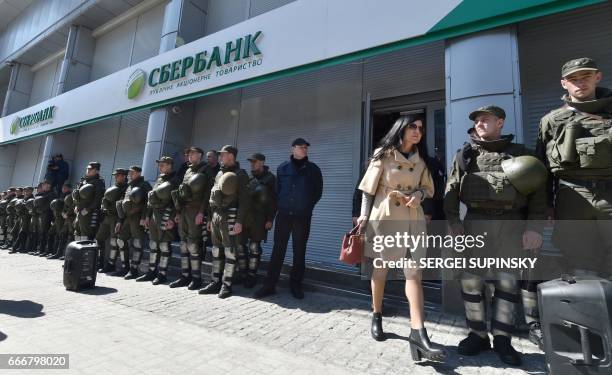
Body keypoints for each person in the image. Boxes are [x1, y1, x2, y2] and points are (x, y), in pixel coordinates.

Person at [444, 106, 547, 366]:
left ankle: (503, 339)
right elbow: (451, 190)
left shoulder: (521, 153)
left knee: (507, 283)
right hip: (475, 223)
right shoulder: (464, 155)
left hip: (511, 224)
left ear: (500, 122)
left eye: (485, 119)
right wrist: (454, 223)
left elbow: (539, 194)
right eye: (477, 120)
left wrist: (534, 228)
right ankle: (477, 335)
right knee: (471, 281)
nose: (479, 123)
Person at [357, 115, 445, 362]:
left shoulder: (421, 161)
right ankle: (377, 314)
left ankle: (418, 333)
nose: (418, 131)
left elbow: (429, 189)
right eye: (413, 127)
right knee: (381, 269)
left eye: (421, 128)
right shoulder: (383, 154)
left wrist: (418, 194)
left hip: (413, 220)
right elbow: (367, 189)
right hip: (385, 218)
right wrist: (363, 217)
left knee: (413, 273)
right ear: (401, 130)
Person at [536, 57, 612, 278]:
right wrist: (547, 205)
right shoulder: (552, 120)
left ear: (598, 77)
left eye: (586, 76)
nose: (580, 83)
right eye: (573, 79)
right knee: (580, 261)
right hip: (572, 196)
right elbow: (542, 169)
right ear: (564, 83)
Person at [255, 138, 323, 300]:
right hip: (284, 216)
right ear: (293, 149)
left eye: (306, 147)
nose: (305, 149)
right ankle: (269, 285)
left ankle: (296, 285)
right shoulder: (282, 168)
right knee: (278, 251)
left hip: (302, 217)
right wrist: (281, 207)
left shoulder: (313, 169)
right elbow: (277, 191)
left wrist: (306, 207)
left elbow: (317, 193)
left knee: (299, 252)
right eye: (301, 147)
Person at [199, 145, 250, 298]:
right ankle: (215, 282)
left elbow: (245, 200)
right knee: (216, 250)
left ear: (231, 156)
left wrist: (239, 221)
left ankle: (227, 285)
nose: (220, 157)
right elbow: (212, 197)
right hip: (216, 216)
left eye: (223, 154)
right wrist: (209, 218)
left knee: (230, 251)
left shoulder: (241, 174)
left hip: (231, 216)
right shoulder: (219, 173)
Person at [170, 147, 214, 290]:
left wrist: (202, 212)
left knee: (194, 245)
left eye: (193, 153)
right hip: (184, 210)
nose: (189, 155)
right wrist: (177, 212)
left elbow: (208, 194)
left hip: (196, 210)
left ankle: (196, 278)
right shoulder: (188, 170)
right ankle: (185, 276)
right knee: (183, 244)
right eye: (188, 153)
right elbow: (182, 192)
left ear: (200, 155)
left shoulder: (206, 170)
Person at [138, 157, 178, 285]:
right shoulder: (159, 179)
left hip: (166, 215)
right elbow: (151, 200)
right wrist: (147, 217)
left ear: (170, 165)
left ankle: (162, 274)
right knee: (153, 245)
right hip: (155, 215)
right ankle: (151, 272)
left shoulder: (175, 180)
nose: (160, 166)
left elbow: (176, 201)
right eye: (159, 164)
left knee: (164, 245)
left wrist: (172, 218)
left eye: (163, 164)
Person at [243, 153, 277, 288]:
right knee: (241, 246)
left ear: (262, 162)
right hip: (246, 216)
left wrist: (270, 219)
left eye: (255, 162)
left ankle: (252, 275)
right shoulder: (250, 178)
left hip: (260, 217)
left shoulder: (271, 179)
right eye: (251, 162)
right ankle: (243, 273)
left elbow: (274, 201)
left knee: (254, 247)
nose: (252, 164)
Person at [115, 166, 152, 279]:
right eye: (129, 173)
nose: (130, 175)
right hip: (127, 218)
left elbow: (148, 203)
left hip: (137, 218)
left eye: (133, 173)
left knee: (137, 243)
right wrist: (120, 221)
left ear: (139, 173)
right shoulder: (129, 185)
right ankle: (125, 267)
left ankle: (133, 270)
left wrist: (144, 217)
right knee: (121, 240)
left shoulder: (145, 185)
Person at [97, 168, 128, 273]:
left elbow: (122, 205)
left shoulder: (126, 189)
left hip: (116, 217)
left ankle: (111, 264)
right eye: (115, 175)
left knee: (114, 241)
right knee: (99, 238)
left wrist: (120, 220)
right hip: (107, 217)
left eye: (117, 175)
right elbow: (105, 199)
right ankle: (100, 261)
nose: (115, 177)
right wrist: (103, 204)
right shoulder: (114, 186)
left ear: (124, 176)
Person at [74, 162, 105, 241]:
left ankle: (84, 252)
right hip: (79, 210)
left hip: (88, 213)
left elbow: (98, 199)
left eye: (91, 169)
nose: (88, 170)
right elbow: (77, 195)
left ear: (97, 171)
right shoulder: (84, 181)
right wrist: (76, 206)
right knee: (77, 231)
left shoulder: (99, 182)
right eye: (88, 168)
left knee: (86, 233)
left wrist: (88, 209)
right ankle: (77, 251)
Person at [33, 179, 56, 257]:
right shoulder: (43, 194)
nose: (43, 186)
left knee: (47, 234)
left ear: (49, 185)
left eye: (44, 185)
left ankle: (46, 251)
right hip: (42, 216)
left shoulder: (51, 194)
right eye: (43, 185)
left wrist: (40, 209)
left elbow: (48, 207)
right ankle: (40, 250)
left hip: (49, 216)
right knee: (42, 233)